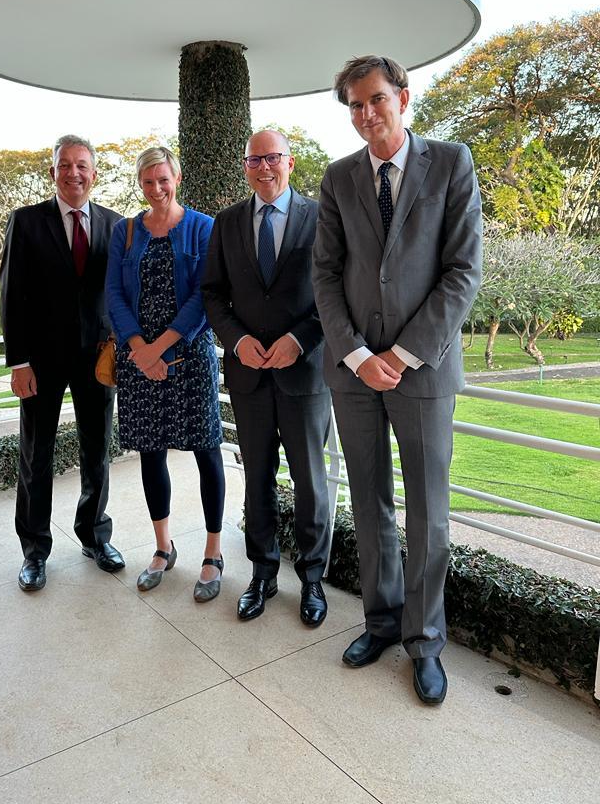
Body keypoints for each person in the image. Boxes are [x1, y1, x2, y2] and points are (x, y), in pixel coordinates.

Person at [312, 55, 482, 705]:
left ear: (403, 98)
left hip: (423, 371)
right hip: (355, 374)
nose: (366, 114)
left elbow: (463, 272)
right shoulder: (338, 178)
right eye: (354, 105)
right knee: (369, 503)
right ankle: (381, 624)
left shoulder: (452, 163)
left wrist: (405, 353)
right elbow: (326, 274)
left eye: (375, 99)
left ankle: (426, 642)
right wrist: (357, 355)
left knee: (429, 513)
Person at [201, 130, 331, 627]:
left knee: (310, 481)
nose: (264, 168)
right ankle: (262, 574)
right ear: (245, 166)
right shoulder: (228, 222)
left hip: (305, 373)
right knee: (256, 478)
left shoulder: (322, 217)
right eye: (254, 160)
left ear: (290, 163)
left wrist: (300, 339)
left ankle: (313, 578)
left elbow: (336, 292)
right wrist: (237, 341)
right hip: (249, 375)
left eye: (272, 157)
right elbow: (213, 293)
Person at [0, 135, 126, 592]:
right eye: (65, 165)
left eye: (82, 165)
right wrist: (19, 361)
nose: (74, 173)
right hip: (42, 360)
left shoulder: (116, 225)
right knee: (36, 454)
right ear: (53, 172)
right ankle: (34, 550)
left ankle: (95, 536)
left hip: (98, 359)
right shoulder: (26, 221)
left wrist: (123, 342)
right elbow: (13, 294)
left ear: (94, 173)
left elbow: (121, 292)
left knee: (98, 451)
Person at [105, 147, 225, 601]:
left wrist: (160, 348)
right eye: (148, 181)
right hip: (137, 361)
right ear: (140, 183)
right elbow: (113, 294)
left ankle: (213, 552)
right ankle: (162, 547)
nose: (157, 189)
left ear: (177, 178)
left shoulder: (203, 227)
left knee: (206, 452)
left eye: (163, 180)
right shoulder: (125, 232)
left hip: (189, 358)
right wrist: (140, 350)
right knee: (150, 454)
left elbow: (205, 295)